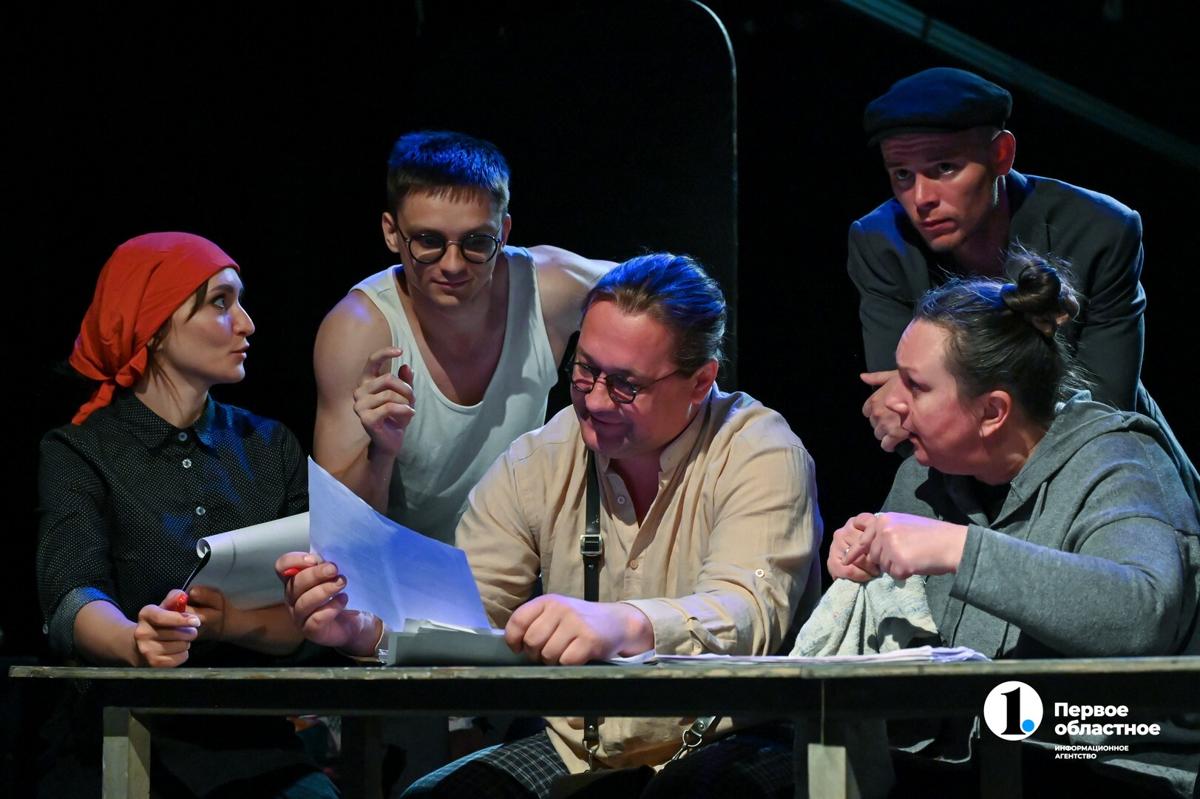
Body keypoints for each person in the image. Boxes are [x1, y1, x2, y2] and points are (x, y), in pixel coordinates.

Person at [280, 253, 823, 798]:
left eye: (625, 384)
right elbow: (468, 614)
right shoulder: (538, 460)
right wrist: (364, 629)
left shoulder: (759, 450)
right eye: (585, 369)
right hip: (583, 749)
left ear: (700, 381)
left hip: (735, 736)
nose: (595, 399)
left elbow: (748, 612)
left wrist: (625, 623)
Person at [829, 250, 1200, 797]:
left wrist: (960, 549)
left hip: (1107, 765)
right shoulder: (922, 477)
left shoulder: (1118, 462)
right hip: (956, 764)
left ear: (993, 412)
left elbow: (1141, 616)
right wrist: (861, 569)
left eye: (916, 385)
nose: (891, 403)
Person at [36, 233, 337, 798]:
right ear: (152, 328)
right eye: (221, 303)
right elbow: (71, 593)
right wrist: (136, 641)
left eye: (240, 302)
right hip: (120, 733)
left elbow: (313, 608)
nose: (247, 323)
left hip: (253, 741)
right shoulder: (80, 450)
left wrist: (229, 623)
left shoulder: (268, 445)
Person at [847, 67, 1196, 503]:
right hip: (961, 477)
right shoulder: (880, 241)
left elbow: (1103, 408)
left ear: (1001, 154)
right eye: (902, 175)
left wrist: (942, 403)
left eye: (945, 168)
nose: (921, 199)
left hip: (1104, 472)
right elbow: (900, 411)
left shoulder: (1100, 229)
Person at [314, 130, 612, 545]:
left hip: (524, 560)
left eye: (476, 242)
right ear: (391, 232)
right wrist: (381, 453)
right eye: (428, 241)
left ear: (503, 232)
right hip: (411, 567)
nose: (453, 265)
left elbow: (674, 296)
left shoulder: (548, 288)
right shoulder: (359, 330)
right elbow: (342, 535)